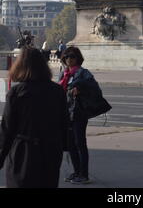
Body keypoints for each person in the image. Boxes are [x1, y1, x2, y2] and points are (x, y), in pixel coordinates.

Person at [0, 47, 68, 188]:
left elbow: (7, 129)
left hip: (23, 151)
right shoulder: (57, 90)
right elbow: (64, 122)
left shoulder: (17, 92)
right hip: (50, 150)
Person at [58, 46, 94, 185]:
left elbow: (92, 89)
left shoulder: (83, 73)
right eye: (66, 57)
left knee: (80, 143)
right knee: (70, 144)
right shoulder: (64, 74)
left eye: (72, 56)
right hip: (66, 113)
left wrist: (81, 90)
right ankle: (77, 171)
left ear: (78, 58)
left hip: (79, 113)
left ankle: (84, 174)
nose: (69, 59)